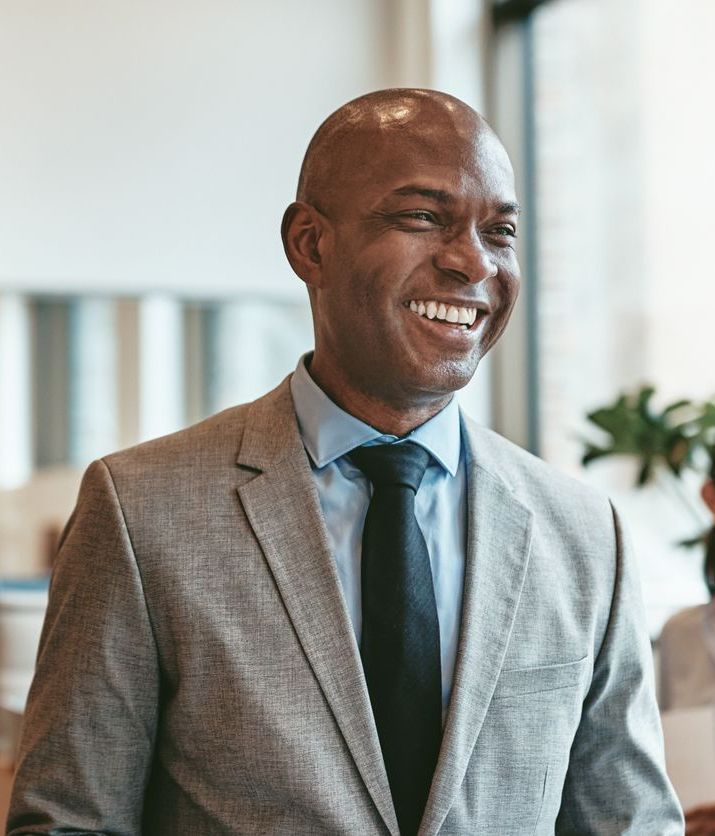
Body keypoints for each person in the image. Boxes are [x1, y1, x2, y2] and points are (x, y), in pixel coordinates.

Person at [7, 89, 683, 834]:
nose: (470, 262)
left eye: (500, 230)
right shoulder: (140, 510)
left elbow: (628, 823)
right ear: (310, 244)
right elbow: (70, 822)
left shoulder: (584, 532)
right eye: (422, 217)